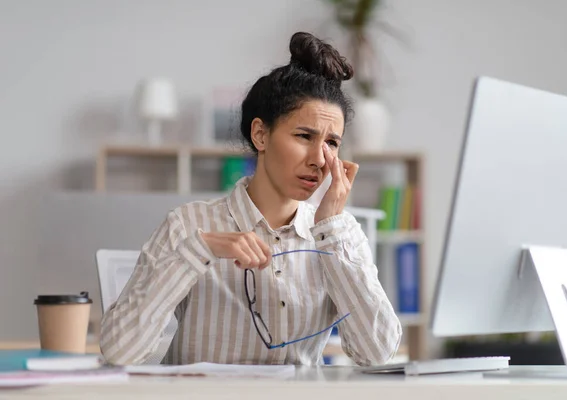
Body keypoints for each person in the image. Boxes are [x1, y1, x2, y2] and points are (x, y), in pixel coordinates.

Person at [100, 31, 402, 367]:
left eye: (332, 143)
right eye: (304, 136)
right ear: (260, 134)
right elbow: (118, 352)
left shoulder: (340, 235)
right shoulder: (188, 225)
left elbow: (377, 354)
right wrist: (200, 249)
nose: (320, 159)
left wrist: (330, 231)